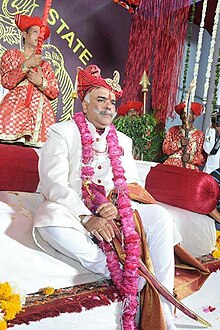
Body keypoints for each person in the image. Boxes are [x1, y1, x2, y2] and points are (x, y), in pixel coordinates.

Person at [33, 64, 182, 330]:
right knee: (47, 217)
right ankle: (122, 273)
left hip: (115, 209)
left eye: (112, 102)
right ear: (85, 104)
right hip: (74, 209)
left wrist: (114, 205)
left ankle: (165, 304)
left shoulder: (123, 141)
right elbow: (53, 183)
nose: (109, 107)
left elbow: (133, 182)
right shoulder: (62, 132)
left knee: (160, 216)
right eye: (101, 100)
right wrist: (86, 217)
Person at [0, 14, 59, 147]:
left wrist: (41, 82)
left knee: (37, 156)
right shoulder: (11, 55)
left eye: (41, 34)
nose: (39, 36)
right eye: (35, 32)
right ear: (24, 34)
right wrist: (26, 65)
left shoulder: (45, 65)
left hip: (41, 115)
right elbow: (7, 81)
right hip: (15, 110)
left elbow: (54, 92)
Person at [162, 102, 205, 171]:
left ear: (194, 116)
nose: (186, 115)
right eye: (183, 113)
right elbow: (165, 149)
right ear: (180, 116)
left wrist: (190, 158)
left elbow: (202, 158)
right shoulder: (173, 130)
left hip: (189, 168)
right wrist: (179, 143)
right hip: (171, 164)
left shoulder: (199, 135)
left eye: (189, 113)